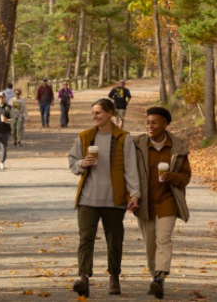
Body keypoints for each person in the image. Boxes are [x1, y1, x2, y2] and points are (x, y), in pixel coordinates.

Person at [68, 99, 140, 297]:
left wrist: (135, 194)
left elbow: (131, 169)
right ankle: (83, 278)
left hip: (114, 198)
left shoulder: (123, 138)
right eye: (93, 112)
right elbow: (72, 160)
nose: (94, 116)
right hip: (87, 199)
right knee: (85, 239)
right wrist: (83, 163)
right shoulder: (85, 137)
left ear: (110, 113)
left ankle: (114, 276)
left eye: (98, 112)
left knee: (114, 240)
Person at [130, 106, 191, 299]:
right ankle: (155, 277)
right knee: (150, 243)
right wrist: (129, 196)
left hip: (168, 200)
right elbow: (127, 172)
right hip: (145, 202)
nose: (149, 126)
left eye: (154, 122)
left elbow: (186, 176)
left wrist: (172, 176)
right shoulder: (136, 144)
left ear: (165, 124)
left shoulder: (178, 146)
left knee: (163, 239)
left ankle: (160, 277)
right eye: (147, 122)